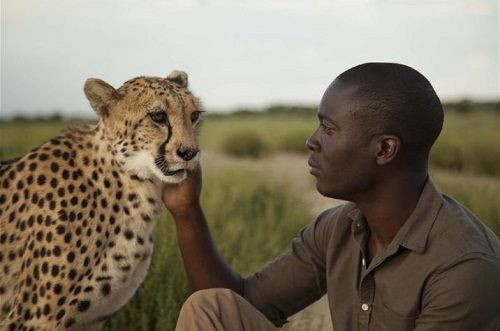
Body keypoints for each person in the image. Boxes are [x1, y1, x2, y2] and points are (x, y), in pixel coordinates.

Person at [162, 63, 500, 331]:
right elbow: (241, 305)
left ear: (384, 149)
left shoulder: (464, 268)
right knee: (210, 309)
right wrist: (186, 211)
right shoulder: (339, 229)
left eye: (328, 129)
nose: (312, 141)